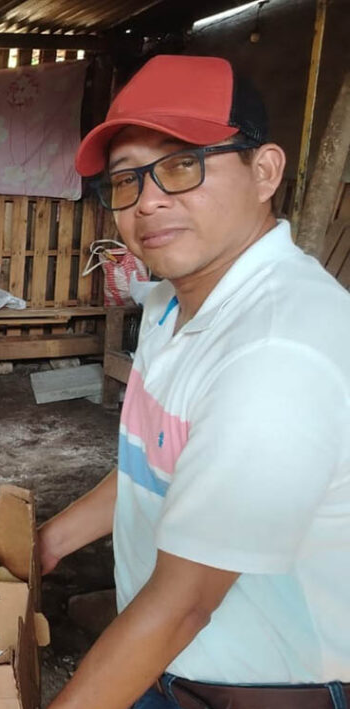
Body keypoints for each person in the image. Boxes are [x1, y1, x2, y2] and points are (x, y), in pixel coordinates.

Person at [40, 55, 350, 709]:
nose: (149, 199)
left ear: (264, 171)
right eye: (126, 179)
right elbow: (150, 463)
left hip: (263, 690)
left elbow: (184, 604)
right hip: (164, 661)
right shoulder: (170, 304)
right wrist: (49, 541)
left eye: (182, 164)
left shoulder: (278, 350)